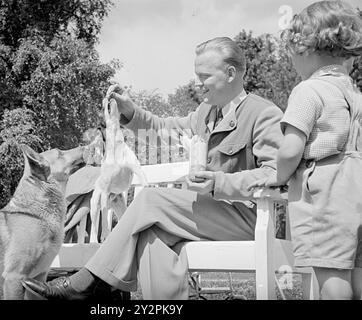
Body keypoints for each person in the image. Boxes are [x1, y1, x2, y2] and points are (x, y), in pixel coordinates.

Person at [22, 37, 284, 300]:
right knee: (150, 233)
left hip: (248, 218)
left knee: (149, 199)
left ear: (230, 74)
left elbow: (275, 173)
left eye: (204, 75)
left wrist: (218, 182)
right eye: (196, 75)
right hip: (206, 216)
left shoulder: (263, 114)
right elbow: (162, 131)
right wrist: (130, 111)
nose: (197, 82)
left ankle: (87, 284)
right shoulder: (206, 112)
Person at [248, 1, 362, 300]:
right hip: (358, 189)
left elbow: (290, 150)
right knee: (358, 273)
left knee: (332, 275)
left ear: (305, 50)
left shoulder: (308, 91)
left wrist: (278, 176)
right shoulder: (356, 95)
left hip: (327, 194)